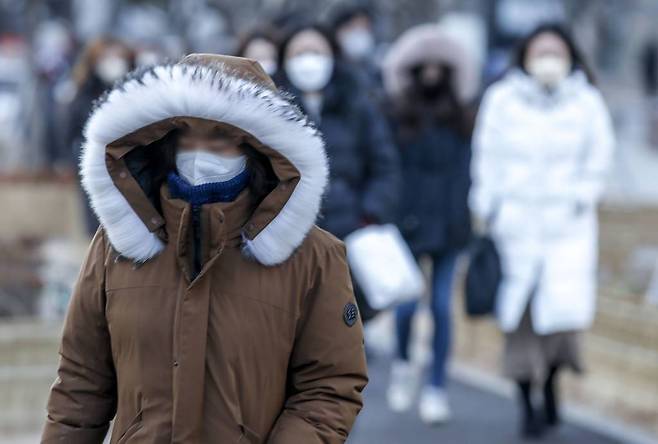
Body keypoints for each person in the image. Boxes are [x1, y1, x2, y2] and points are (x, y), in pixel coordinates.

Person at [41, 54, 368, 443]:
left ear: (256, 147)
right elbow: (81, 383)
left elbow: (329, 386)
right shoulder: (116, 247)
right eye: (187, 134)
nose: (200, 150)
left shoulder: (312, 257)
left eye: (221, 137)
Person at [470, 23, 614, 438]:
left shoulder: (586, 102)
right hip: (515, 226)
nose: (548, 59)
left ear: (569, 55)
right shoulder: (502, 100)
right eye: (540, 51)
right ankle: (525, 401)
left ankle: (551, 382)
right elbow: (486, 156)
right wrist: (488, 206)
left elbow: (599, 155)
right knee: (520, 320)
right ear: (525, 56)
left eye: (556, 51)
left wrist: (583, 197)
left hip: (567, 228)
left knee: (560, 322)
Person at [382, 24, 478, 425]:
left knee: (441, 307)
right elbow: (390, 168)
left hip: (451, 224)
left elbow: (469, 169)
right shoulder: (395, 113)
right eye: (426, 64)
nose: (434, 72)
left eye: (442, 65)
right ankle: (404, 363)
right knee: (406, 308)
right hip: (408, 223)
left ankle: (436, 386)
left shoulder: (463, 116)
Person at [277, 24, 400, 321]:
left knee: (346, 323)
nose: (309, 60)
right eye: (300, 53)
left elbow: (384, 165)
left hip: (350, 231)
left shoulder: (358, 105)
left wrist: (371, 213)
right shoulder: (271, 105)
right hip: (290, 236)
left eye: (316, 51)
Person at [66, 37, 136, 235]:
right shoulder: (83, 91)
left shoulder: (137, 88)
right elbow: (71, 129)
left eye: (117, 55)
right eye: (106, 56)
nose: (113, 60)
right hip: (94, 163)